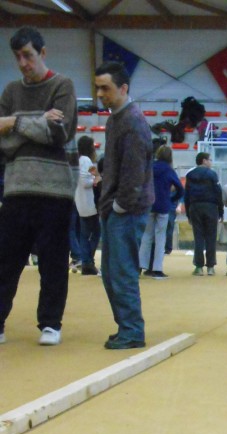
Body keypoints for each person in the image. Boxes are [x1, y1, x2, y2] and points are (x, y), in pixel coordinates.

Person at [0, 26, 76, 347]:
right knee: (5, 261)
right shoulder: (10, 91)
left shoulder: (62, 85)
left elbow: (60, 134)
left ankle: (50, 323)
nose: (23, 63)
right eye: (18, 57)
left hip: (55, 193)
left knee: (53, 261)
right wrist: (40, 120)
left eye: (28, 55)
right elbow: (2, 146)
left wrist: (14, 122)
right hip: (16, 190)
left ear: (42, 53)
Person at [95, 59, 153, 350]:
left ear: (123, 87)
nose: (100, 94)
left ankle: (132, 330)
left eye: (105, 88)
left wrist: (119, 206)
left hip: (126, 211)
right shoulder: (115, 119)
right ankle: (125, 327)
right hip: (114, 209)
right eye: (98, 89)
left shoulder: (132, 122)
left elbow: (134, 172)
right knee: (111, 273)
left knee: (122, 272)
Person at [139, 144, 182, 279]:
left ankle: (140, 265)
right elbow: (180, 188)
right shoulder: (169, 170)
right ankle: (157, 268)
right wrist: (171, 199)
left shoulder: (150, 167)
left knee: (146, 236)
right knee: (160, 237)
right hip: (163, 205)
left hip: (149, 204)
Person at [184, 151, 223, 276]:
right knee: (211, 237)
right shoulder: (212, 174)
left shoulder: (190, 175)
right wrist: (221, 211)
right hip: (211, 207)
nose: (211, 162)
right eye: (210, 160)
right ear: (204, 161)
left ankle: (199, 266)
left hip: (195, 207)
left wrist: (188, 213)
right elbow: (218, 192)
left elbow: (186, 195)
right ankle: (211, 266)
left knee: (198, 236)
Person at [75, 135, 101, 276]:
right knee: (95, 233)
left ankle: (87, 262)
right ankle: (88, 262)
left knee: (85, 234)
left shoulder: (79, 160)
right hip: (89, 202)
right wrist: (97, 180)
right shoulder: (86, 160)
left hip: (81, 201)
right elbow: (87, 181)